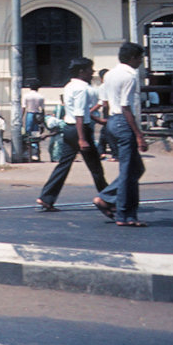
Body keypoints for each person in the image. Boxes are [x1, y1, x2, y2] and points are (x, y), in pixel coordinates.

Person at [36, 58, 109, 211]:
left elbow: (80, 111)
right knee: (96, 168)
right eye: (90, 69)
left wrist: (97, 119)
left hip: (70, 129)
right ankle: (109, 199)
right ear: (81, 71)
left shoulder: (69, 86)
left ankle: (46, 197)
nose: (92, 72)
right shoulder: (82, 88)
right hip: (80, 130)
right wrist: (82, 139)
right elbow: (80, 114)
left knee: (64, 165)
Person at [94, 42, 149, 227]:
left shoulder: (110, 74)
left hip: (112, 121)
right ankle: (123, 213)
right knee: (127, 171)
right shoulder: (130, 76)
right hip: (123, 121)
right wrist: (139, 134)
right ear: (133, 58)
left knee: (135, 169)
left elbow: (109, 102)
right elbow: (125, 107)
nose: (140, 62)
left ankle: (119, 205)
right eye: (140, 58)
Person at [22, 79, 45, 161]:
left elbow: (23, 108)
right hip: (37, 115)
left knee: (28, 133)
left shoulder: (26, 96)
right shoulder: (40, 96)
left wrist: (21, 118)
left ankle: (28, 153)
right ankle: (35, 153)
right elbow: (42, 109)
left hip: (29, 114)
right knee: (35, 134)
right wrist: (42, 121)